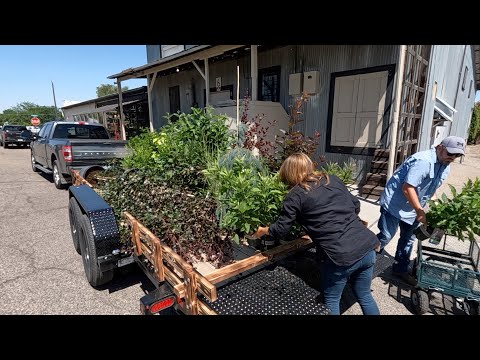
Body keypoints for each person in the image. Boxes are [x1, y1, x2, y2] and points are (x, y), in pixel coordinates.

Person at [252, 153, 380, 315]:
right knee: (365, 295)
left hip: (341, 257)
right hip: (367, 247)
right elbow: (355, 206)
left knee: (332, 300)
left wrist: (263, 231)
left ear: (289, 173)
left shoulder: (295, 195)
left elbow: (281, 230)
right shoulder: (331, 179)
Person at [377, 136, 465, 285]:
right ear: (440, 147)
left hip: (414, 207)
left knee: (408, 239)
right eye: (451, 153)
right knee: (386, 236)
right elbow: (408, 187)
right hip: (395, 203)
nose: (453, 157)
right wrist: (420, 210)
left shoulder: (444, 165)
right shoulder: (423, 161)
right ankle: (363, 262)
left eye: (457, 155)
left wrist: (434, 207)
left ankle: (400, 269)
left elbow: (432, 189)